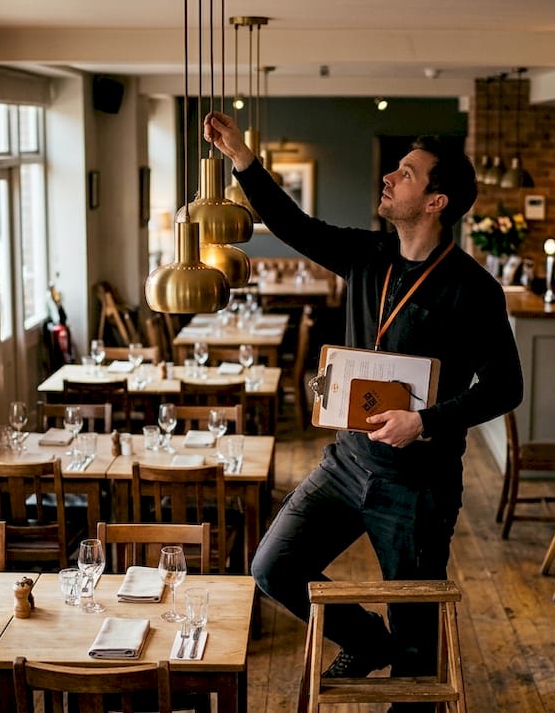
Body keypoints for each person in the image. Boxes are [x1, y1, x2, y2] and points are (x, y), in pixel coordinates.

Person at [204, 110, 523, 701]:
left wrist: (425, 421)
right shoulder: (366, 254)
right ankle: (365, 639)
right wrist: (242, 160)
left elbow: (506, 389)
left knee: (416, 645)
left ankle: (396, 658)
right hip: (345, 465)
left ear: (435, 201)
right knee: (273, 567)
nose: (389, 179)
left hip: (418, 486)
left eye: (406, 173)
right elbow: (293, 224)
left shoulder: (474, 289)